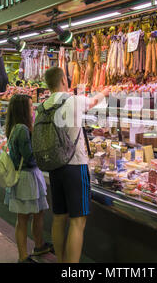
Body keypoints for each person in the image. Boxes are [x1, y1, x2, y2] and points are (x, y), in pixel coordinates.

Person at [40, 67, 109, 263]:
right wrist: (106, 91)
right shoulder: (73, 101)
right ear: (63, 79)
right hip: (74, 165)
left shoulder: (43, 105)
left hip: (54, 165)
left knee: (59, 217)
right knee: (78, 222)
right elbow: (95, 101)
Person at [4, 94, 53, 263]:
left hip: (29, 176)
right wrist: (45, 150)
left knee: (38, 213)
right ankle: (23, 256)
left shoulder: (15, 127)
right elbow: (30, 157)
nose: (33, 110)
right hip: (26, 177)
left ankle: (39, 245)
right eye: (31, 107)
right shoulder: (22, 130)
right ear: (23, 110)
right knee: (23, 218)